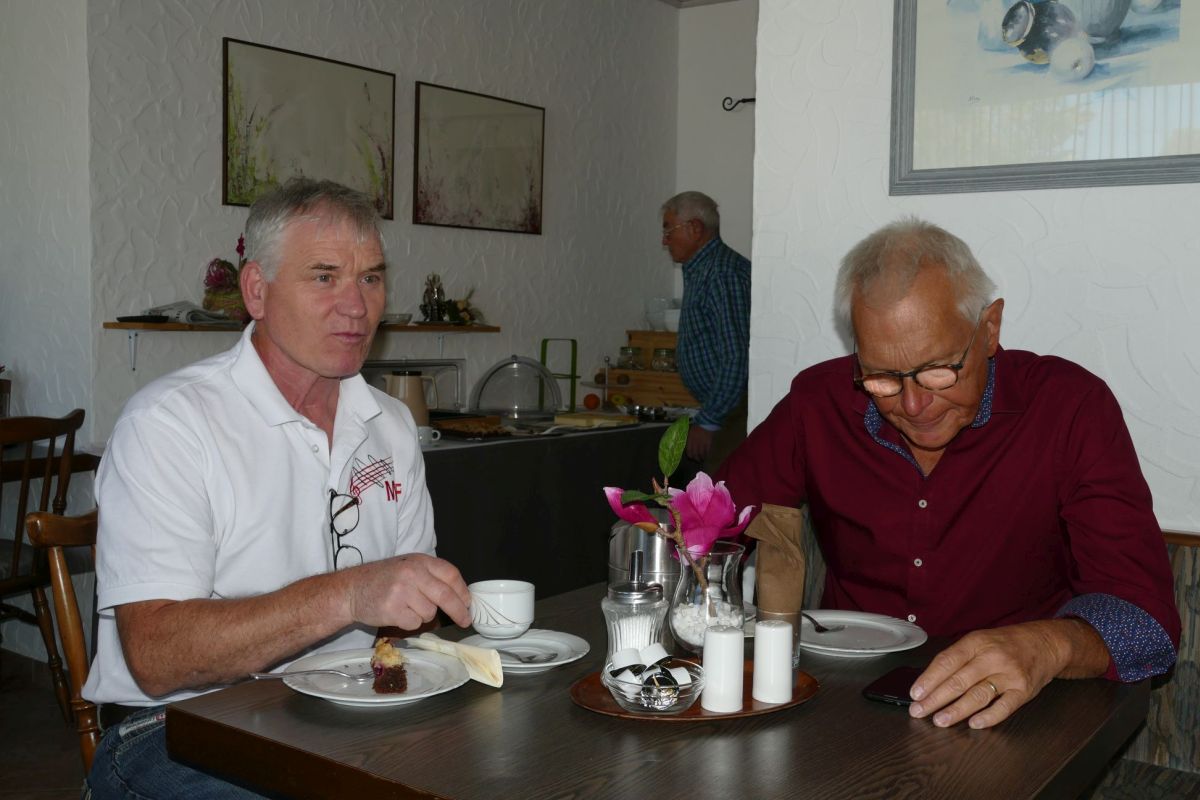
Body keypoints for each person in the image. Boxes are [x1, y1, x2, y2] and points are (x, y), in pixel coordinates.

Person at [83, 178, 473, 797]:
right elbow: (155, 657)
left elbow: (404, 624)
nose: (357, 306)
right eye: (324, 277)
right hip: (174, 730)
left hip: (343, 707)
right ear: (256, 291)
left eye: (371, 277)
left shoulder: (391, 425)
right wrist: (349, 595)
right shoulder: (170, 425)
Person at [716, 217, 1179, 730]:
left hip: (1011, 715)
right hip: (845, 705)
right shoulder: (818, 403)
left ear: (989, 329)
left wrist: (1048, 645)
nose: (914, 405)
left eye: (938, 371)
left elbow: (1148, 624)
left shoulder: (1068, 408)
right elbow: (705, 522)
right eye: (882, 377)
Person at [660, 191, 751, 470]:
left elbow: (736, 357)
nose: (664, 240)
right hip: (725, 409)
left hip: (733, 413)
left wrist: (709, 421)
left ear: (695, 228)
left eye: (668, 230)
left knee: (719, 489)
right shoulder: (703, 270)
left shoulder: (722, 273)